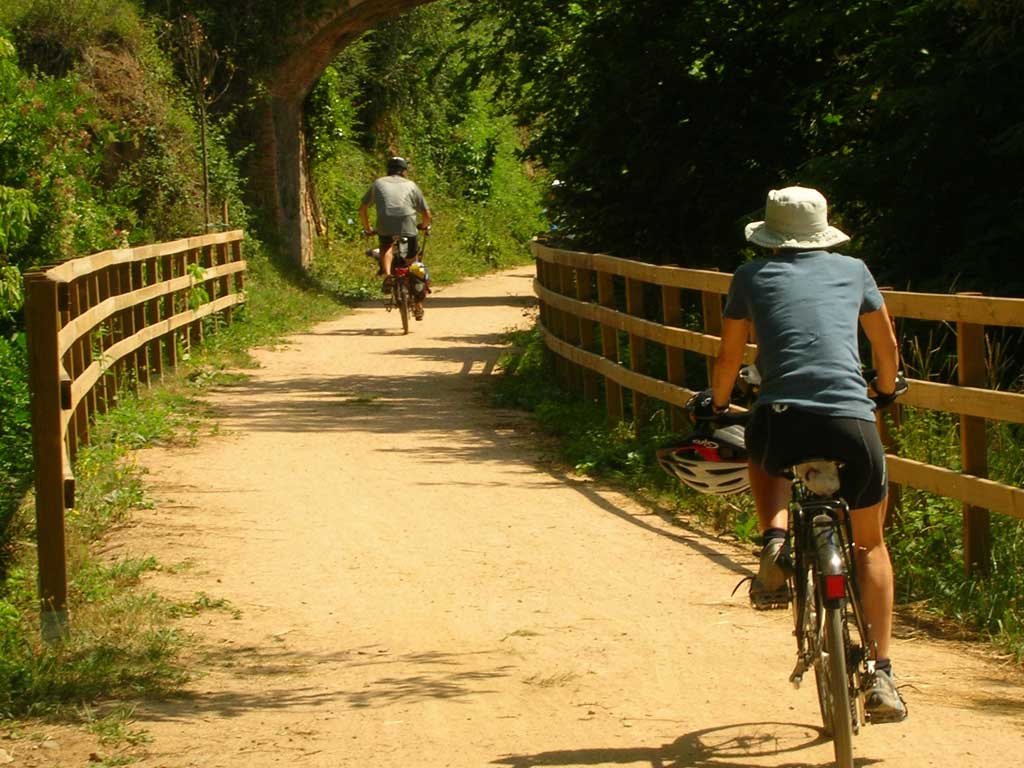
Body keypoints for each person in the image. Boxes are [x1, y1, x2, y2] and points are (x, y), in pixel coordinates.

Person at [697, 185, 907, 723]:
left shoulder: (750, 276)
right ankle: (882, 673)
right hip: (850, 420)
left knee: (760, 452)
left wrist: (717, 404)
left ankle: (774, 536)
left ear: (770, 234)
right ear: (823, 231)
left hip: (783, 415)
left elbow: (729, 355)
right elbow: (886, 351)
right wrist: (883, 391)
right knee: (871, 547)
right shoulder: (856, 271)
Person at [359, 156, 432, 319]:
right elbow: (427, 214)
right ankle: (418, 304)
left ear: (388, 169)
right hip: (408, 224)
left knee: (387, 248)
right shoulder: (411, 185)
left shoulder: (378, 183)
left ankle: (387, 276)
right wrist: (424, 225)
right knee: (412, 261)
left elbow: (362, 209)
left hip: (385, 223)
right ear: (404, 171)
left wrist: (368, 228)